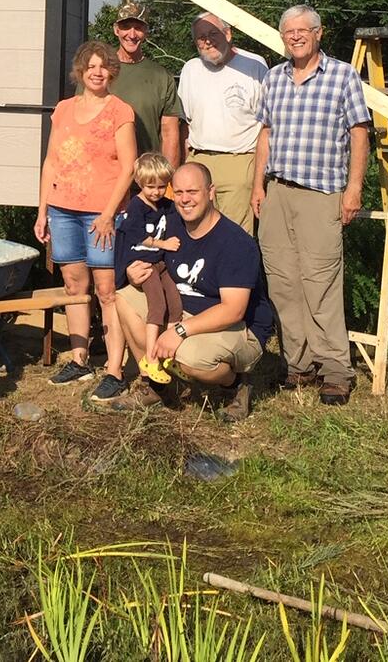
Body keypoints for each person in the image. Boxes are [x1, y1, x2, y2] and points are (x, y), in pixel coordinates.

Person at [249, 5, 372, 406]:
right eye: (289, 32)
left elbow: (358, 134)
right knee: (282, 280)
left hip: (322, 192)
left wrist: (353, 189)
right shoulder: (274, 78)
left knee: (320, 281)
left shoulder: (342, 76)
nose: (296, 37)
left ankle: (335, 369)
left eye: (303, 30)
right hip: (277, 190)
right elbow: (264, 135)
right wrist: (258, 188)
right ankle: (297, 364)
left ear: (319, 34)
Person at [106, 162, 276, 421]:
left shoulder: (235, 242)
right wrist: (133, 272)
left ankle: (236, 384)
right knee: (124, 299)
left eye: (193, 192)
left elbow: (234, 309)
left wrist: (180, 331)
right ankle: (156, 385)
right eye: (179, 192)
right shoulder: (173, 225)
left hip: (238, 326)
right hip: (182, 310)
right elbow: (147, 255)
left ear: (211, 192)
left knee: (190, 357)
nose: (185, 200)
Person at [34, 40, 138, 402]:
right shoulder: (63, 109)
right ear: (80, 71)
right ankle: (79, 358)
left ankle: (114, 368)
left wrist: (109, 213)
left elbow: (129, 166)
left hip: (101, 213)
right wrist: (42, 209)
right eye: (90, 66)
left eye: (103, 66)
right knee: (75, 286)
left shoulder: (120, 111)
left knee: (107, 291)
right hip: (62, 208)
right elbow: (50, 161)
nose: (96, 71)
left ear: (112, 71)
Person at [177, 13, 269, 232]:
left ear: (228, 33)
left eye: (213, 34)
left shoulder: (254, 66)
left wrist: (258, 176)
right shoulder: (190, 69)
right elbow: (184, 124)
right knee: (194, 231)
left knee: (234, 236)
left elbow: (268, 124)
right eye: (201, 37)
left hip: (239, 162)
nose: (207, 41)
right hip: (198, 159)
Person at [113, 152, 184, 385]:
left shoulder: (167, 206)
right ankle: (151, 357)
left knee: (175, 304)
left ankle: (169, 353)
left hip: (161, 262)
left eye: (162, 186)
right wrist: (164, 243)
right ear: (139, 184)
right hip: (144, 262)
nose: (156, 192)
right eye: (150, 186)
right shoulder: (136, 206)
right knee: (158, 306)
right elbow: (140, 236)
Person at [107, 2, 182, 169]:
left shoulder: (161, 77)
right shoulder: (99, 73)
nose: (132, 34)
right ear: (116, 30)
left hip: (146, 179)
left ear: (146, 32)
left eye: (138, 28)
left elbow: (170, 133)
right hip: (106, 175)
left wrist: (168, 178)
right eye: (126, 27)